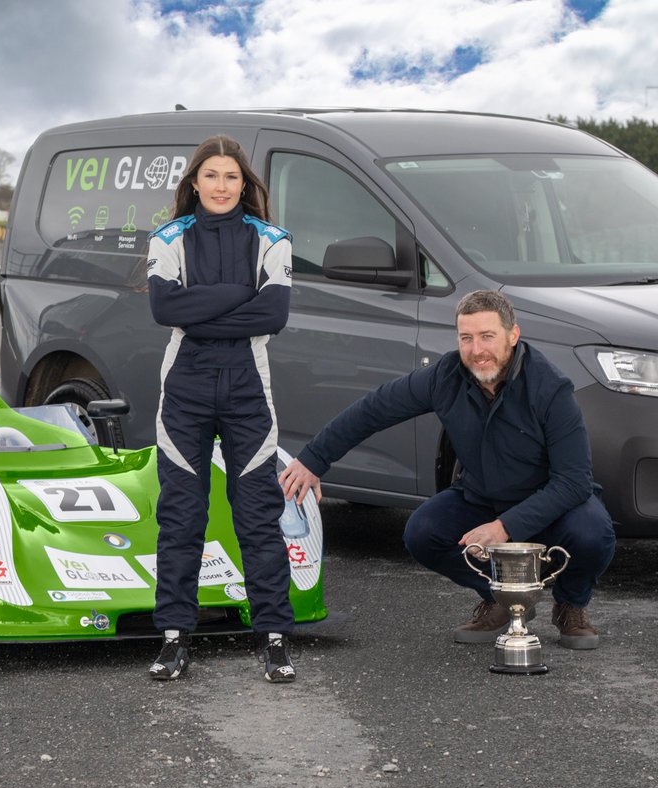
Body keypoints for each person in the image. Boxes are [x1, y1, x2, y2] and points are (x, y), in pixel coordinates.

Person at [279, 289, 616, 649]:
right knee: (422, 532)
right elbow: (374, 409)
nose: (476, 350)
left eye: (487, 336)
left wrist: (504, 528)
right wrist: (313, 460)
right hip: (481, 497)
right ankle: (503, 599)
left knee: (593, 533)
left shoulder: (551, 388)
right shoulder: (446, 375)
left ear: (513, 335)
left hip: (549, 504)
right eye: (466, 338)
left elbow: (573, 482)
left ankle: (570, 604)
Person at [145, 134, 297, 682]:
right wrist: (239, 293)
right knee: (181, 516)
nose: (222, 186)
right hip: (184, 389)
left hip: (247, 389)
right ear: (194, 182)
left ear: (244, 183)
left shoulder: (272, 239)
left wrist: (201, 311)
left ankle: (274, 637)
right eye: (211, 175)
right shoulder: (168, 237)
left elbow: (273, 315)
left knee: (257, 514)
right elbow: (165, 308)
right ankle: (173, 637)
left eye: (231, 176)